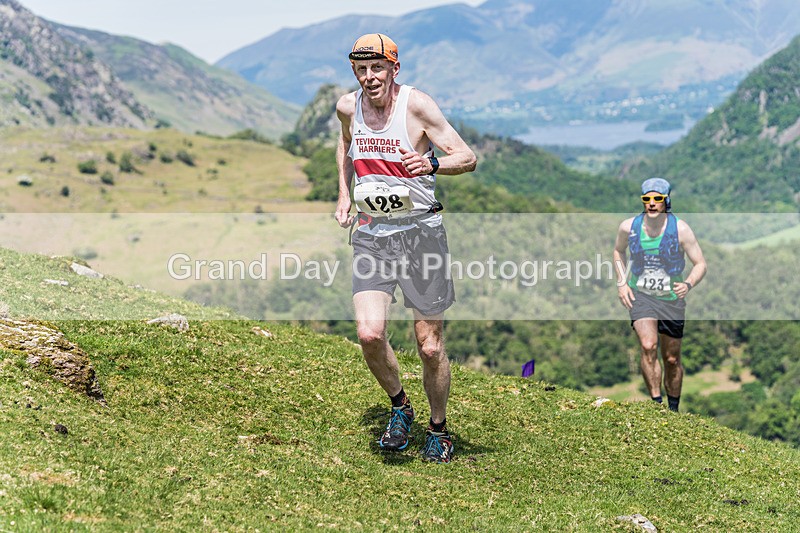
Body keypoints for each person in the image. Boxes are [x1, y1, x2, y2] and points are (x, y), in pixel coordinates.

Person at [334, 33, 477, 463]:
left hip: (421, 234)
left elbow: (466, 157)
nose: (369, 77)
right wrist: (344, 194)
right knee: (369, 333)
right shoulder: (347, 106)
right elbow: (345, 144)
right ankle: (400, 407)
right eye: (361, 69)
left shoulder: (417, 106)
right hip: (373, 233)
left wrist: (432, 162)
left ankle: (438, 428)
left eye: (377, 68)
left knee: (429, 346)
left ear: (394, 68)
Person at [613, 178, 707, 412]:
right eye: (647, 199)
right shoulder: (629, 227)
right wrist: (622, 283)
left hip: (672, 299)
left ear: (666, 201)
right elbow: (617, 251)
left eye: (657, 199)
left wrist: (688, 284)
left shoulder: (681, 229)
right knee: (648, 345)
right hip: (641, 295)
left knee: (672, 359)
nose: (652, 203)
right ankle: (657, 406)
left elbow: (700, 264)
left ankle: (673, 409)